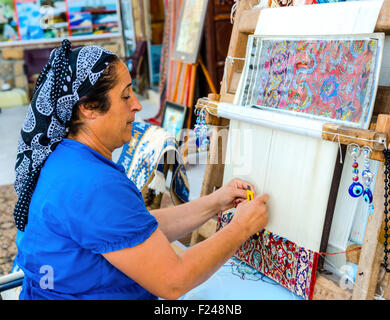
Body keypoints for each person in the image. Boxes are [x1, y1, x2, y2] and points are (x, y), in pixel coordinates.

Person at [13, 40, 269, 300]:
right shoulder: (92, 183)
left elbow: (136, 229)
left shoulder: (66, 159)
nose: (136, 104)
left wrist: (215, 202)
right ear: (88, 108)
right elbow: (174, 281)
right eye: (125, 96)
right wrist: (241, 228)